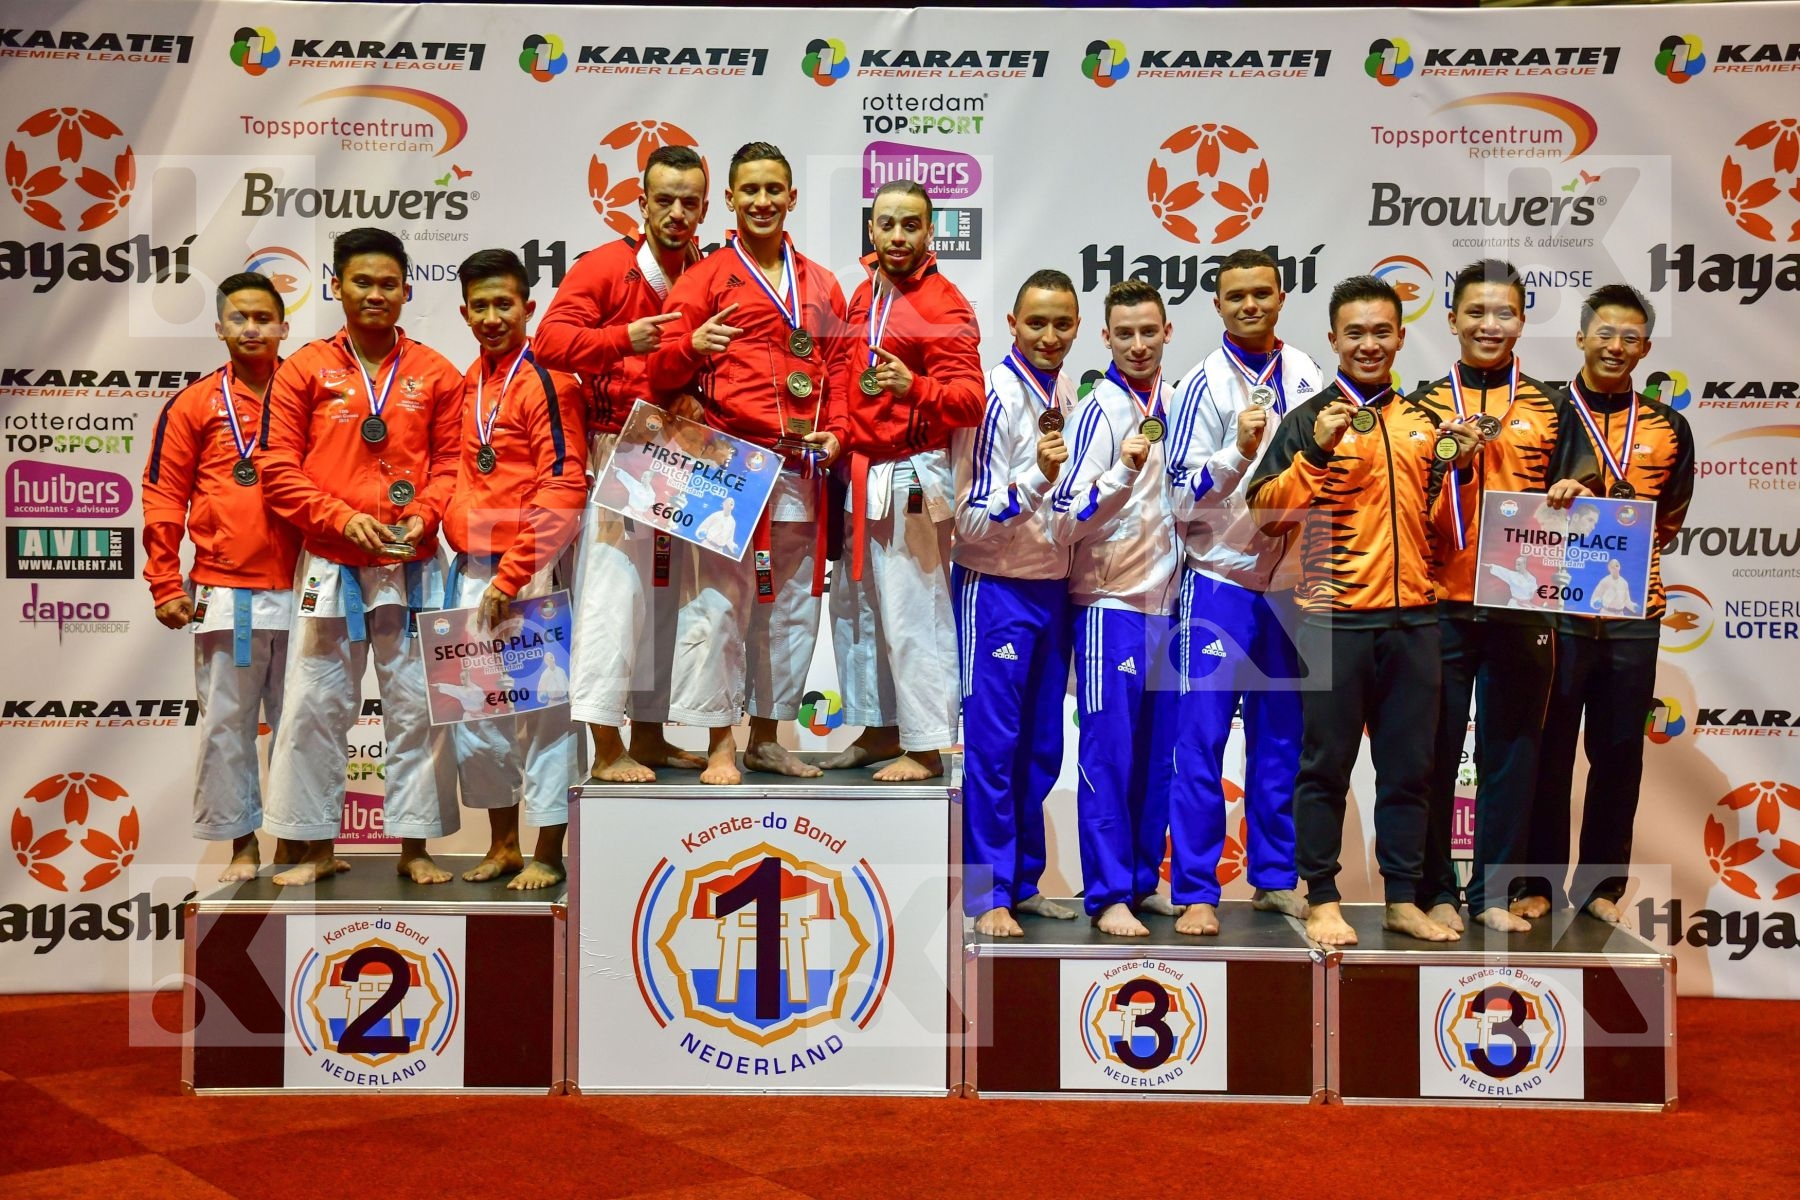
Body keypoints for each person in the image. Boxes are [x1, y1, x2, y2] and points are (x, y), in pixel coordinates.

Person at [1248, 275, 1484, 945]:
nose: (1370, 343)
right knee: (1324, 766)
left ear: (1401, 337)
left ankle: (1401, 899)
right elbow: (1265, 516)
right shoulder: (1308, 419)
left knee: (1411, 768)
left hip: (1414, 620)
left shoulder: (1421, 423)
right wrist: (1317, 449)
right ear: (1333, 340)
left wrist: (1460, 473)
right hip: (1332, 618)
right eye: (1355, 332)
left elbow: (1441, 530)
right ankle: (1321, 895)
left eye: (1382, 331)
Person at [259, 226, 463, 885]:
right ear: (337, 286)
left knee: (418, 704)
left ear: (407, 289)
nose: (376, 295)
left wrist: (421, 515)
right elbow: (278, 468)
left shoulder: (435, 372)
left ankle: (416, 847)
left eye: (388, 284)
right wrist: (342, 518)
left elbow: (454, 465)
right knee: (315, 702)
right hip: (331, 562)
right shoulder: (304, 368)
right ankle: (314, 847)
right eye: (362, 283)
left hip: (413, 562)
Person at [648, 141, 848, 784]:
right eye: (750, 190)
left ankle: (766, 736)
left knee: (790, 609)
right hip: (728, 461)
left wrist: (840, 429)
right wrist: (689, 346)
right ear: (729, 200)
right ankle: (718, 744)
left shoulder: (819, 281)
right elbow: (659, 369)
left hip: (800, 466)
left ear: (792, 198)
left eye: (774, 190)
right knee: (718, 605)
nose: (762, 201)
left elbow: (841, 368)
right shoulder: (703, 278)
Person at [1412, 259, 1589, 933]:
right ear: (1452, 318)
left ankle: (1492, 894)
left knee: (1512, 755)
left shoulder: (1551, 404)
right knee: (1430, 753)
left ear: (1522, 319)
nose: (1491, 326)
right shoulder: (1423, 405)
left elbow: (1583, 489)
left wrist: (1575, 493)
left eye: (1505, 313)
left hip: (1523, 606)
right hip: (1439, 601)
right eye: (1477, 313)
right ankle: (1435, 893)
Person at [1517, 285, 1694, 923]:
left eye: (1630, 338)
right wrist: (1558, 504)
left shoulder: (1669, 427)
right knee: (1547, 750)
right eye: (1604, 334)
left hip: (1632, 614)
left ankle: (1602, 890)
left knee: (1619, 753)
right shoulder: (1546, 413)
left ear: (1645, 347)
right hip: (1557, 611)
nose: (1615, 347)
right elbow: (1518, 513)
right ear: (1581, 338)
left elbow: (1666, 521)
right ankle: (1532, 883)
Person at [534, 144, 706, 783]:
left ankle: (652, 734)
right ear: (642, 203)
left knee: (664, 597)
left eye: (690, 202)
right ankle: (606, 745)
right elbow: (549, 342)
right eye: (665, 200)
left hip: (680, 448)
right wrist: (618, 340)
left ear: (705, 207)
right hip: (618, 446)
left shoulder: (707, 270)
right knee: (613, 596)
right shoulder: (608, 265)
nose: (677, 213)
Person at [1164, 248, 1321, 936]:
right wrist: (1234, 451)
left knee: (1282, 739)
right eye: (1236, 296)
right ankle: (1197, 887)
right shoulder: (1199, 385)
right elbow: (1176, 496)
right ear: (1217, 305)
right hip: (1220, 580)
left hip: (1290, 586)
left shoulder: (1310, 373)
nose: (1249, 305)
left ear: (1281, 296)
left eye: (1261, 293)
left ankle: (1276, 878)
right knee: (1198, 741)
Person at [821, 180, 985, 782]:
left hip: (912, 474)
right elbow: (843, 376)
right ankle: (880, 728)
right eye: (886, 224)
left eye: (910, 225)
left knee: (916, 615)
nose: (897, 236)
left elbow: (970, 401)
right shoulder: (866, 294)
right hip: (861, 475)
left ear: (929, 232)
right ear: (871, 230)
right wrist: (838, 434)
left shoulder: (943, 302)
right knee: (860, 612)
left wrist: (910, 387)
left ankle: (926, 744)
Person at [141, 273, 302, 882]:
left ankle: (297, 840)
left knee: (302, 725)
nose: (253, 328)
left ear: (285, 326)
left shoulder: (306, 391)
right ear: (219, 328)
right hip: (225, 588)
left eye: (264, 317)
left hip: (307, 584)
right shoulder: (192, 404)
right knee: (226, 727)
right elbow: (162, 495)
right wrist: (164, 581)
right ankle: (241, 842)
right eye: (240, 318)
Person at [442, 248, 587, 889]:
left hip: (529, 570)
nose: (494, 316)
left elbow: (564, 491)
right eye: (481, 306)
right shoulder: (464, 386)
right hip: (470, 566)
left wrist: (513, 573)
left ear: (530, 307)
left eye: (506, 304)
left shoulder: (549, 384)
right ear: (465, 313)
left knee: (547, 713)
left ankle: (548, 848)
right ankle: (503, 843)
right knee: (477, 716)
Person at [1044, 280, 1182, 937]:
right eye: (1123, 333)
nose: (1136, 344)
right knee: (1109, 755)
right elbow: (1063, 520)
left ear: (1166, 333)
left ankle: (1141, 879)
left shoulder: (1177, 404)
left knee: (1158, 758)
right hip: (1107, 608)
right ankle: (1106, 895)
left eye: (1147, 331)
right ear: (1106, 338)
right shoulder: (1098, 410)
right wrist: (1121, 473)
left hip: (1169, 608)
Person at [952, 269, 1081, 937]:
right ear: (1012, 323)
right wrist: (1037, 477)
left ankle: (1024, 881)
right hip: (994, 590)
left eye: (1063, 324)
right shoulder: (993, 398)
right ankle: (987, 892)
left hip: (1052, 589)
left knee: (1041, 749)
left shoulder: (1063, 391)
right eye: (1038, 323)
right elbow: (968, 521)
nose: (1051, 335)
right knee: (993, 748)